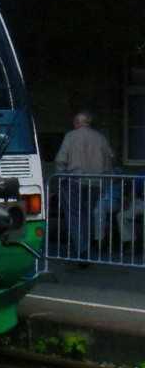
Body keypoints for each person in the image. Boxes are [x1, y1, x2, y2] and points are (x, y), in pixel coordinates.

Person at [55, 110, 114, 258]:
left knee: (73, 215)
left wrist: (61, 176)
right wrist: (104, 185)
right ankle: (85, 245)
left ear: (77, 122)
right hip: (95, 183)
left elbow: (60, 160)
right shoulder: (101, 138)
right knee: (87, 216)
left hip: (74, 181)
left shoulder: (71, 136)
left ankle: (81, 248)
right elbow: (108, 165)